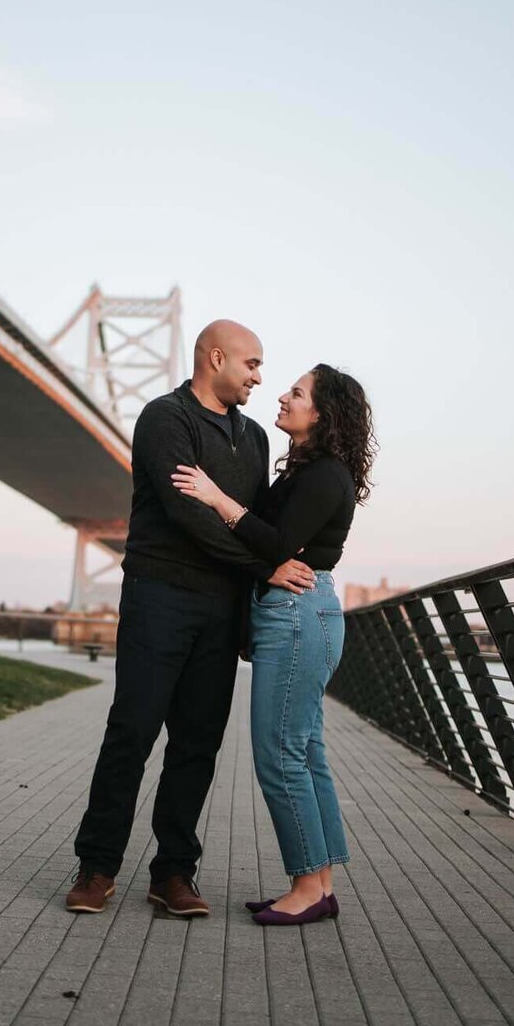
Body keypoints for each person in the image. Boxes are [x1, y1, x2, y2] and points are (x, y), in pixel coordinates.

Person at [66, 321, 316, 918]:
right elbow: (189, 516)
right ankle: (97, 867)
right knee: (133, 732)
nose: (260, 377)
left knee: (197, 744)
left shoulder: (254, 437)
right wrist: (267, 567)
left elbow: (253, 521)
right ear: (216, 357)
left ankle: (174, 872)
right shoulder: (164, 418)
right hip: (159, 595)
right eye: (252, 364)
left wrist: (268, 566)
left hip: (222, 608)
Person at [171, 364, 375, 925]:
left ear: (323, 413)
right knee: (305, 751)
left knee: (279, 753)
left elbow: (280, 544)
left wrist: (216, 497)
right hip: (298, 611)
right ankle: (322, 882)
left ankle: (307, 888)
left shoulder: (325, 475)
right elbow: (272, 546)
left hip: (297, 613)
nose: (282, 396)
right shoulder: (308, 471)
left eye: (297, 392)